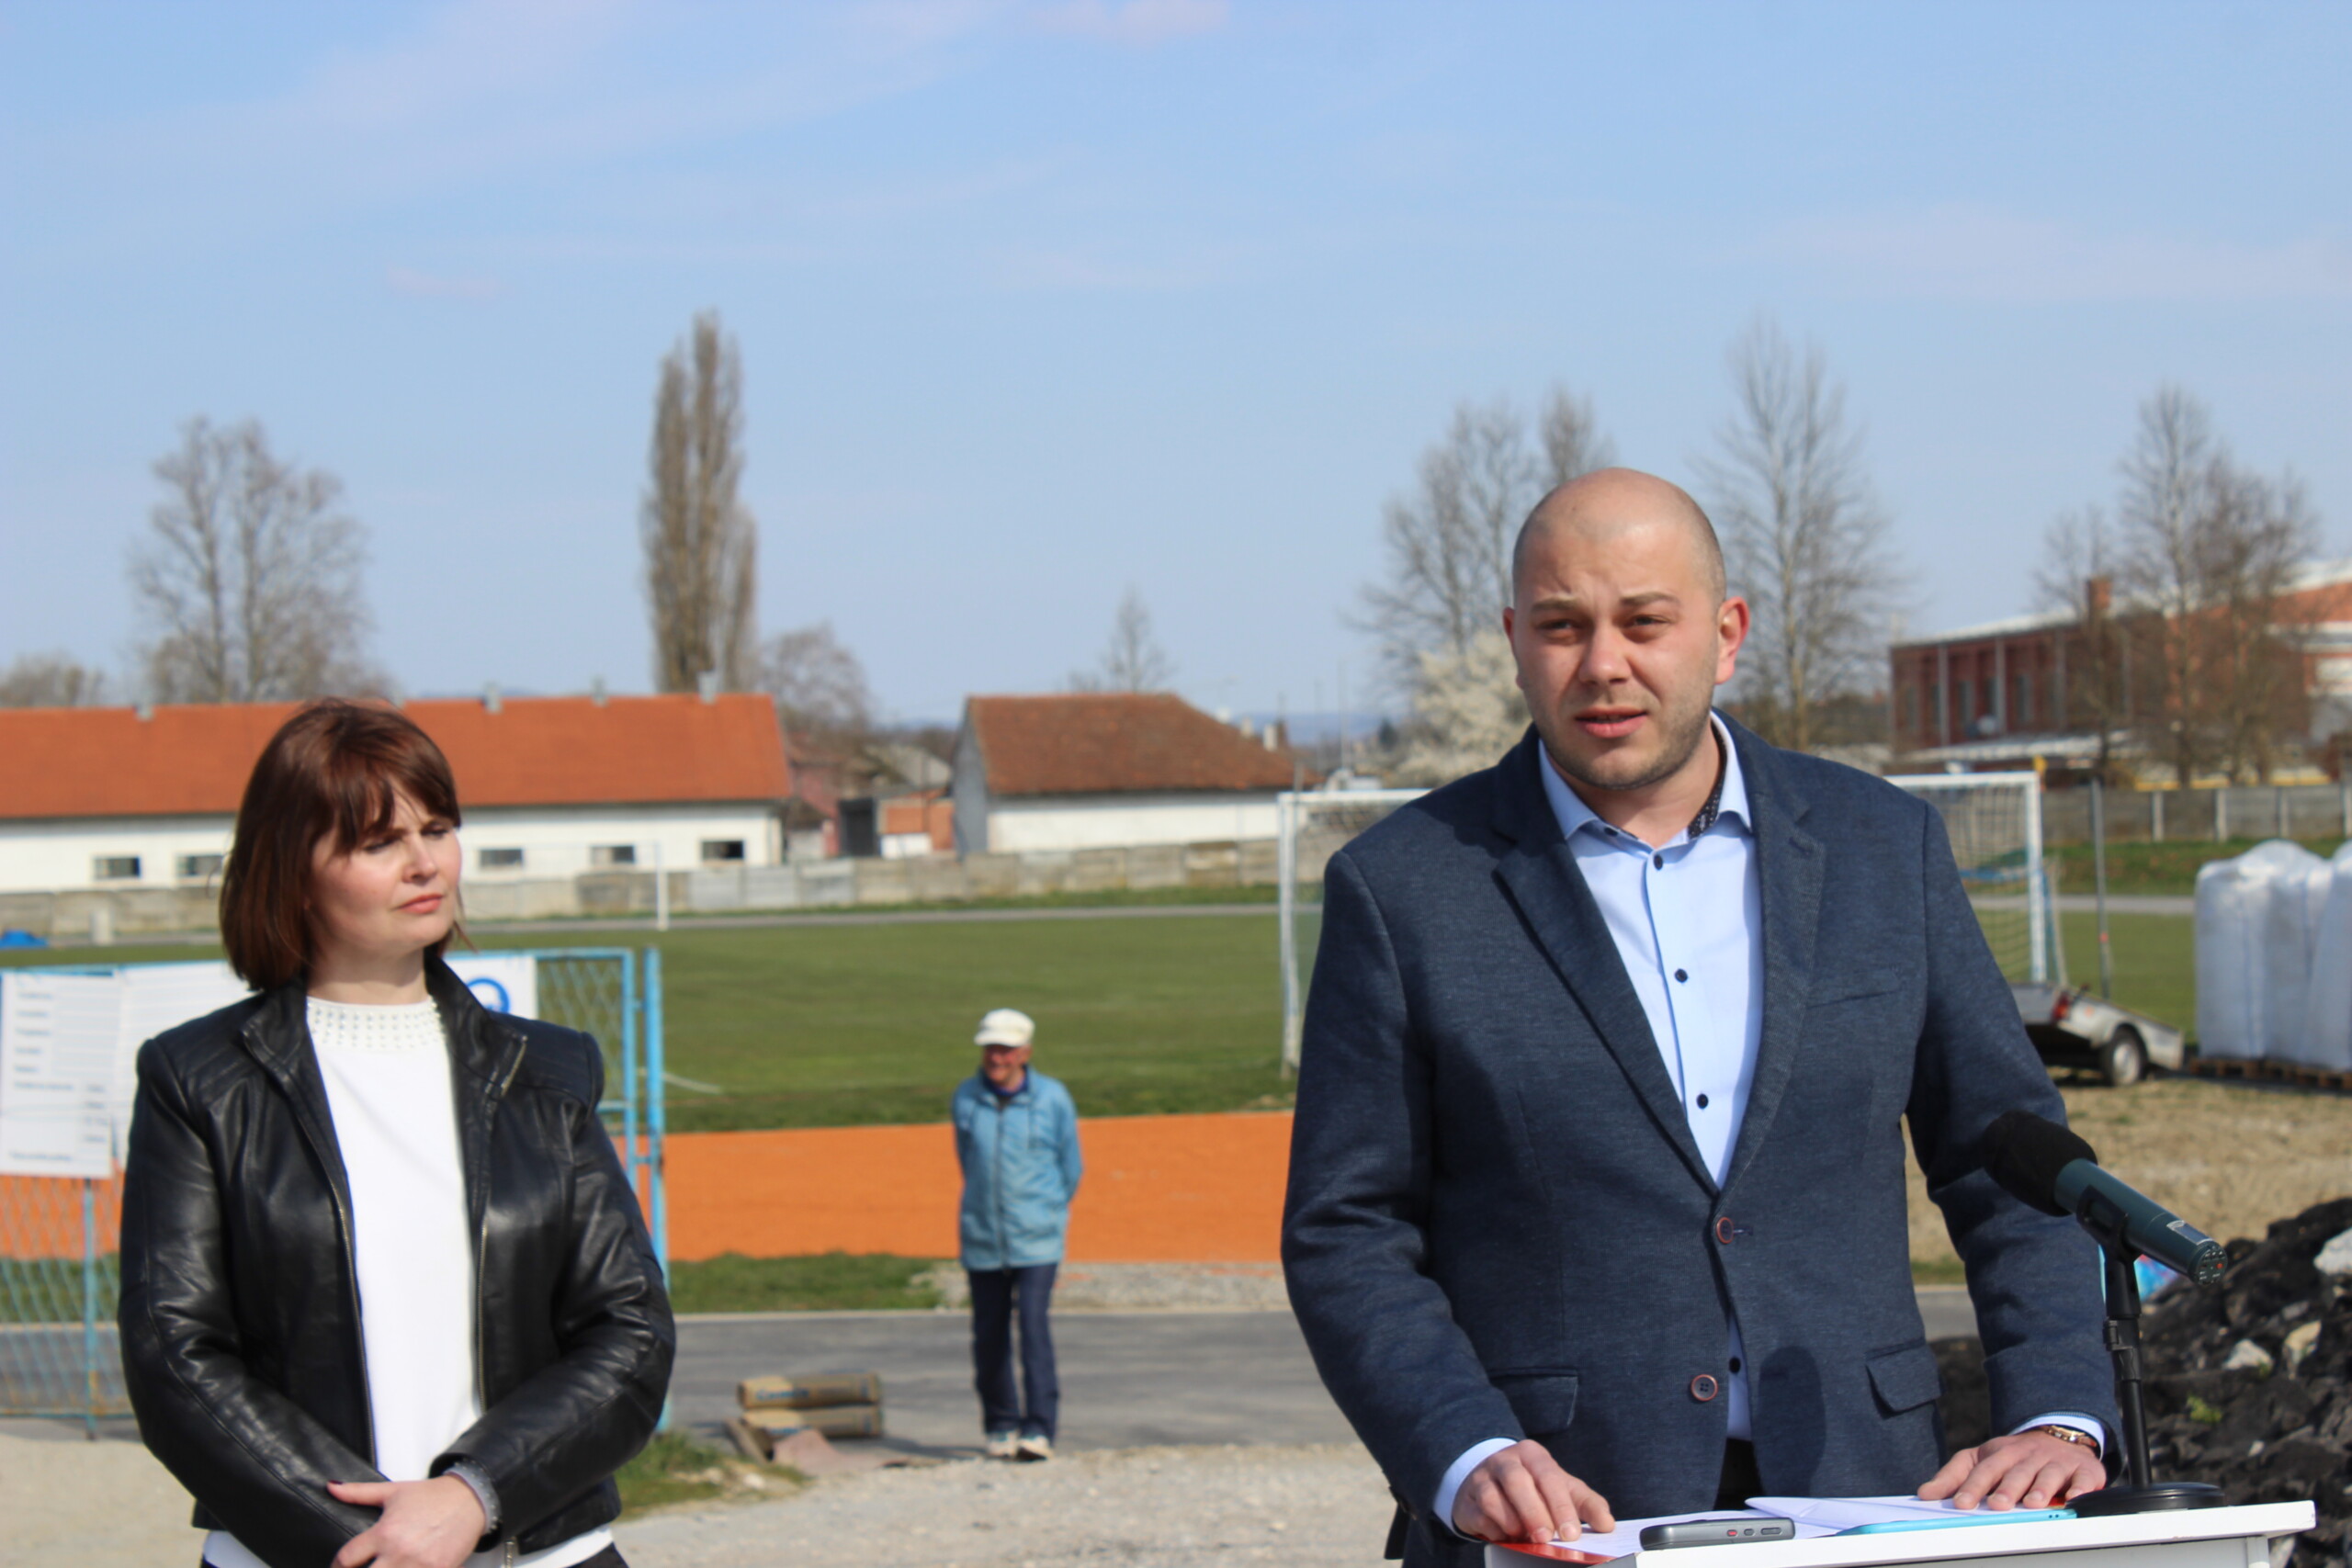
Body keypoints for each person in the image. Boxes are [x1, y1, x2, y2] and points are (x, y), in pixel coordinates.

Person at [1281, 468, 2119, 1566]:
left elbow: (2010, 1166)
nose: (1602, 664)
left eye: (1643, 622)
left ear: (1726, 636)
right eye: (1561, 627)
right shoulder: (1403, 888)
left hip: (1864, 1500)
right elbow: (1348, 1228)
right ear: (1515, 642)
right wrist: (1463, 1448)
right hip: (1559, 1526)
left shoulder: (1884, 848)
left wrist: (2058, 1410)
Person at [119, 700, 674, 1568]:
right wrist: (372, 1545)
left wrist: (473, 1496)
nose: (425, 863)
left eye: (438, 829)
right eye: (379, 842)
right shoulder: (198, 1080)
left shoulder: (547, 1071)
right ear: (293, 871)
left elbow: (631, 1330)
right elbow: (174, 1356)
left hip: (538, 1552)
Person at [951, 1007, 1083, 1461]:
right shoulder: (966, 1098)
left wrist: (1046, 1212)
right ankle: (1001, 1423)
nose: (997, 1057)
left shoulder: (1053, 1098)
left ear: (1025, 1052)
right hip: (983, 1237)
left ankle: (1039, 1428)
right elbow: (967, 1159)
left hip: (1037, 1239)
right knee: (988, 1334)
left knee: (1032, 1327)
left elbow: (1070, 1166)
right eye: (991, 1048)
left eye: (1006, 1050)